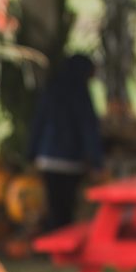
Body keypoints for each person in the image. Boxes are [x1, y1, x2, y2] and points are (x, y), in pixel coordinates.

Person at [28, 53, 105, 231]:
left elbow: (38, 123)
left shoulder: (52, 88)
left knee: (54, 206)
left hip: (47, 159)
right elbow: (88, 129)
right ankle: (61, 245)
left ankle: (54, 245)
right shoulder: (80, 93)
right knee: (68, 208)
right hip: (71, 161)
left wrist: (31, 154)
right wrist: (97, 162)